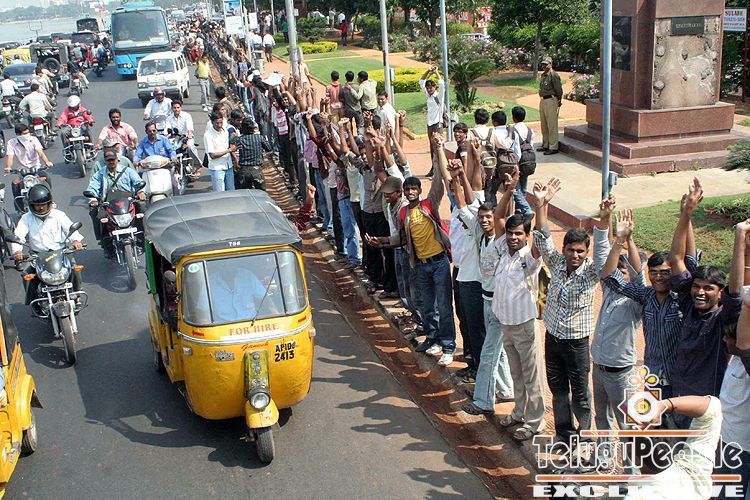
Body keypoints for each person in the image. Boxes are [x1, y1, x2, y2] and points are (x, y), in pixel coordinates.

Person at [533, 176, 606, 447]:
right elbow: (543, 239)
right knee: (558, 390)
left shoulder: (591, 273)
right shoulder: (556, 263)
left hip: (577, 344)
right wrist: (542, 204)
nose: (575, 255)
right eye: (571, 250)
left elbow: (604, 254)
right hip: (553, 339)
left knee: (581, 393)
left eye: (580, 251)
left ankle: (584, 435)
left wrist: (605, 220)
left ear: (586, 252)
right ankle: (564, 434)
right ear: (564, 249)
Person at [371, 133, 456, 365]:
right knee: (427, 306)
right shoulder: (403, 212)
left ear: (419, 190)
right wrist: (381, 242)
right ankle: (433, 338)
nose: (410, 192)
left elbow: (439, 180)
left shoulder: (430, 204)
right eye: (407, 189)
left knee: (444, 307)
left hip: (439, 263)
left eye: (413, 188)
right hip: (420, 265)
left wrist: (438, 151)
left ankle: (448, 346)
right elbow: (401, 239)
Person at [668, 178, 743, 422]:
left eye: (708, 288)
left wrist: (740, 239)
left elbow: (736, 288)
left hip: (704, 410)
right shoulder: (688, 305)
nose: (700, 292)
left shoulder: (723, 318)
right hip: (677, 396)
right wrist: (686, 213)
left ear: (720, 293)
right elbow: (676, 258)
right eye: (696, 286)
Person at [591, 203, 644, 472]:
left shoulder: (637, 299)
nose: (621, 273)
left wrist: (628, 240)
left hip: (620, 373)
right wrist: (611, 230)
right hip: (599, 367)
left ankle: (632, 473)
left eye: (625, 271)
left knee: (626, 425)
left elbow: (639, 276)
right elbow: (603, 257)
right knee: (602, 418)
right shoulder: (611, 290)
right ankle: (604, 457)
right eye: (619, 269)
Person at [624, 396, 723, 500]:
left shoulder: (638, 496)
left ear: (632, 456)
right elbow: (712, 408)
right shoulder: (694, 473)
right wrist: (664, 405)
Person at [10, 184, 84, 304]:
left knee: (75, 268)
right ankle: (34, 302)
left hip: (61, 253)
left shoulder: (58, 215)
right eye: (37, 205)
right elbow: (18, 236)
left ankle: (77, 294)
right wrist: (17, 251)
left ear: (49, 203)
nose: (40, 208)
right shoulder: (26, 218)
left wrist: (76, 241)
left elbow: (70, 228)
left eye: (43, 204)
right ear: (31, 205)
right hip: (37, 256)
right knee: (27, 275)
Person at [86, 150, 146, 257]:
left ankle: (145, 238)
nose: (111, 162)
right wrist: (93, 200)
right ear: (105, 161)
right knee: (98, 216)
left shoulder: (128, 171)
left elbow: (138, 182)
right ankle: (106, 244)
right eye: (108, 160)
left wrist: (141, 192)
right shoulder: (99, 174)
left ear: (117, 160)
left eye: (112, 159)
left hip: (128, 201)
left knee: (142, 210)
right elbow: (92, 188)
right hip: (109, 203)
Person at [5, 123, 54, 207]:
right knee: (15, 185)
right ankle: (19, 207)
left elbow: (40, 153)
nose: (27, 135)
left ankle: (51, 201)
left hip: (36, 169)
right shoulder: (11, 143)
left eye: (28, 132)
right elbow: (10, 157)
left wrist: (47, 162)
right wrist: (8, 167)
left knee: (47, 178)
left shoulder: (33, 139)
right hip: (22, 171)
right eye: (25, 133)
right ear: (18, 134)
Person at [232, 118, 271, 190]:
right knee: (261, 193)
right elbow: (268, 148)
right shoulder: (259, 138)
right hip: (257, 170)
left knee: (246, 194)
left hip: (244, 171)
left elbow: (232, 148)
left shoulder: (239, 139)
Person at [419, 66, 444, 175]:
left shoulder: (439, 96)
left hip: (437, 124)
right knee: (432, 147)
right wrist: (428, 71)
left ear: (434, 87)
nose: (429, 89)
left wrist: (436, 72)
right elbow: (421, 81)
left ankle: (441, 169)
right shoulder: (428, 95)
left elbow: (442, 84)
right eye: (428, 88)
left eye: (431, 87)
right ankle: (434, 168)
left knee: (438, 146)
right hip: (430, 124)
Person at [203, 111, 238, 192]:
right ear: (212, 122)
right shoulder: (208, 135)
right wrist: (229, 150)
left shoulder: (225, 131)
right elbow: (212, 155)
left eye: (221, 123)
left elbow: (229, 146)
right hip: (217, 168)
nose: (219, 125)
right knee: (220, 193)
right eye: (217, 123)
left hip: (228, 166)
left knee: (231, 192)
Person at [538, 57, 563, 155]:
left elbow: (559, 90)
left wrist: (558, 100)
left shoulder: (553, 75)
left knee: (552, 124)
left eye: (546, 64)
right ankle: (546, 144)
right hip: (543, 100)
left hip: (551, 100)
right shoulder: (543, 75)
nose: (544, 66)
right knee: (544, 124)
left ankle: (553, 146)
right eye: (543, 64)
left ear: (550, 64)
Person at [166, 100, 199, 167]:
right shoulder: (169, 118)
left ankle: (197, 164)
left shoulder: (186, 116)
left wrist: (189, 134)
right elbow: (167, 128)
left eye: (178, 107)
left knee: (190, 146)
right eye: (174, 108)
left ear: (181, 108)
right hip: (175, 138)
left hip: (186, 137)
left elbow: (189, 126)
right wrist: (165, 135)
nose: (176, 109)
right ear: (172, 108)